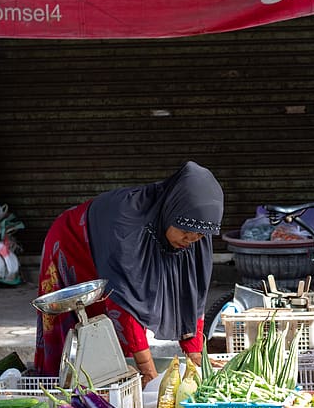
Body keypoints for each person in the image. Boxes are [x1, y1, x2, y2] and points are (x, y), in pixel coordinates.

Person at [33, 161, 224, 386]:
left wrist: (195, 356)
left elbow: (192, 295)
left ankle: (104, 385)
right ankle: (52, 389)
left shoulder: (195, 232)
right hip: (72, 244)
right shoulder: (126, 226)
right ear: (171, 211)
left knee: (117, 352)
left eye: (198, 236)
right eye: (185, 233)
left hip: (116, 254)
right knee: (67, 332)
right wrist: (149, 373)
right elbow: (126, 303)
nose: (190, 241)